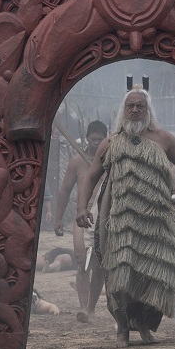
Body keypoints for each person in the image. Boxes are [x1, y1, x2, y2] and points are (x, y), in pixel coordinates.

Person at [76, 89, 175, 347]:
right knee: (120, 272)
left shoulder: (164, 139)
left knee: (154, 273)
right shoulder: (111, 142)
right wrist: (81, 207)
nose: (135, 110)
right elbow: (91, 176)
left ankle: (144, 325)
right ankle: (122, 330)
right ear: (123, 110)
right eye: (130, 106)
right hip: (118, 220)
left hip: (155, 221)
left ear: (148, 109)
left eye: (140, 106)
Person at [51, 120, 107, 316]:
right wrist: (58, 219)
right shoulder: (77, 162)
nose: (95, 143)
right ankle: (83, 308)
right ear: (87, 138)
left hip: (105, 215)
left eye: (100, 140)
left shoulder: (110, 161)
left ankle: (91, 308)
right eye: (93, 139)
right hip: (83, 214)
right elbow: (64, 191)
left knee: (99, 266)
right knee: (82, 260)